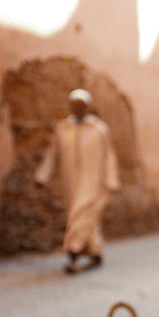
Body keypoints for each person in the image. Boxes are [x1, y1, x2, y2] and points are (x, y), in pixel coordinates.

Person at [34, 89, 120, 274]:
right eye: (74, 104)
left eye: (81, 104)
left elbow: (109, 156)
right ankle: (95, 252)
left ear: (87, 107)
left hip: (94, 180)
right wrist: (42, 175)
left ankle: (73, 253)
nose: (77, 107)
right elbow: (52, 154)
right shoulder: (62, 128)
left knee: (81, 214)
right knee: (82, 216)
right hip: (71, 180)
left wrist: (111, 180)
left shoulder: (100, 129)